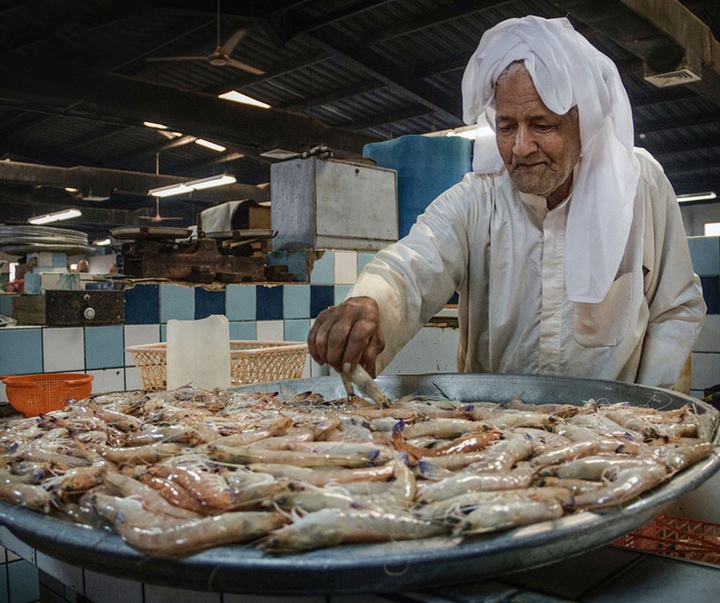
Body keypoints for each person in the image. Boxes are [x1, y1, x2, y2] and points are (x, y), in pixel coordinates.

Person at [307, 15, 706, 392]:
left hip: (610, 442)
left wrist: (649, 414)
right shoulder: (477, 202)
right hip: (498, 439)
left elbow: (675, 308)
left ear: (583, 123)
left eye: (542, 125)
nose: (521, 147)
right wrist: (371, 303)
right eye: (506, 126)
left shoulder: (638, 188)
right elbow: (410, 268)